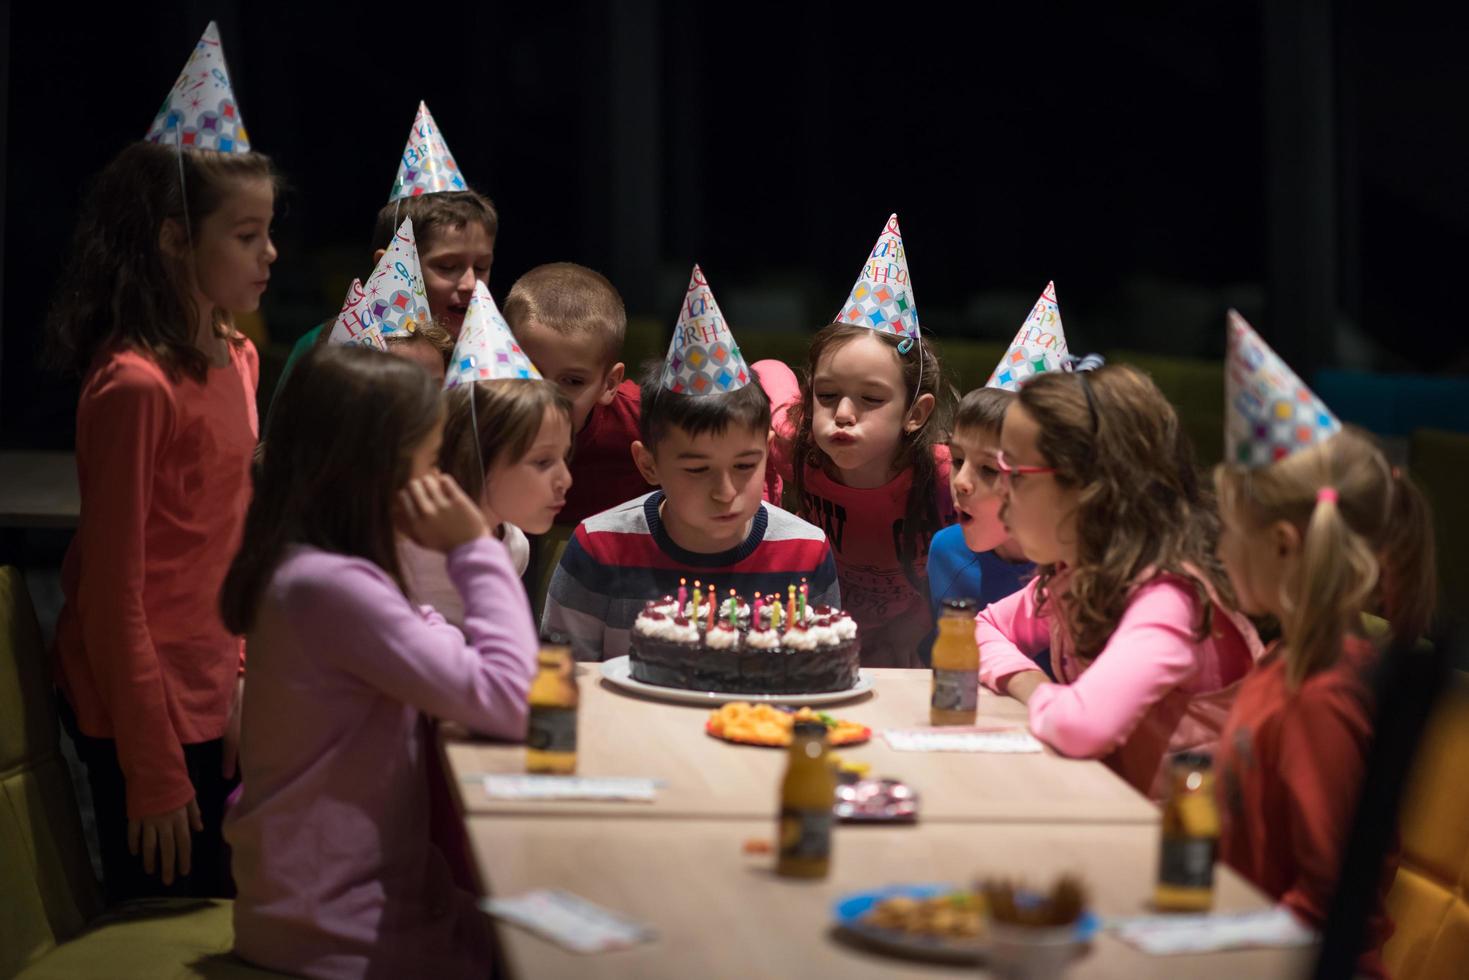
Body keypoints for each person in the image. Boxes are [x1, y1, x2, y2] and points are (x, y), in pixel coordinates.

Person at [220, 345, 536, 978]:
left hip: (331, 906)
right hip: (334, 931)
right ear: (379, 474)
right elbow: (511, 698)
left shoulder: (317, 568)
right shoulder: (330, 587)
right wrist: (474, 546)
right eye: (430, 463)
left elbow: (428, 634)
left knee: (531, 929)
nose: (442, 486)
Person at [46, 120, 277, 900]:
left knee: (225, 907)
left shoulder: (237, 355)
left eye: (269, 233)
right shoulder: (135, 385)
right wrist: (150, 766)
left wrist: (243, 671)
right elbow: (113, 593)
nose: (270, 254)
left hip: (215, 687)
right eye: (246, 235)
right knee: (161, 918)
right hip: (140, 707)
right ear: (177, 239)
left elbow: (231, 540)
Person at [1210, 314, 1436, 979]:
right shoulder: (1282, 663)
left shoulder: (1320, 697)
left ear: (1280, 544)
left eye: (1227, 530)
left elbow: (1330, 905)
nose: (1219, 550)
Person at [975, 362, 1263, 798]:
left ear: (1089, 487)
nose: (1000, 493)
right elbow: (983, 626)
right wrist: (1031, 682)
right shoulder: (1079, 572)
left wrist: (1039, 694)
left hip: (1194, 850)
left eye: (1014, 473)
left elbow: (1080, 726)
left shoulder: (1169, 597)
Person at [543, 267, 837, 661]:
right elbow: (560, 681)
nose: (725, 492)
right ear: (648, 465)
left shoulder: (805, 551)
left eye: (745, 466)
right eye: (698, 469)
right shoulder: (599, 549)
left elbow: (820, 677)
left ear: (767, 452)